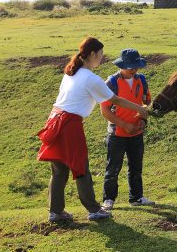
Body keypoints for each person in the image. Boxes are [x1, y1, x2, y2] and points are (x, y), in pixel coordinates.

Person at [36, 37, 148, 222]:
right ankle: (94, 209)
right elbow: (116, 100)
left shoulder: (71, 72)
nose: (102, 58)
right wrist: (140, 109)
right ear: (92, 54)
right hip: (69, 123)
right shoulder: (91, 78)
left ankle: (55, 212)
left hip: (54, 119)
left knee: (59, 171)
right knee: (80, 167)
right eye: (100, 54)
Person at [100, 49, 155, 210]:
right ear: (122, 65)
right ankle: (108, 199)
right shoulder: (111, 83)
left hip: (137, 133)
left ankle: (136, 197)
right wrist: (125, 125)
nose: (134, 70)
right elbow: (104, 110)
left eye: (136, 66)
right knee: (113, 168)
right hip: (117, 134)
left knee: (136, 167)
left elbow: (147, 103)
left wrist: (143, 120)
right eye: (131, 67)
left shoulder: (142, 80)